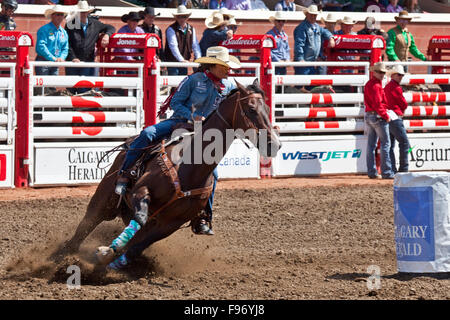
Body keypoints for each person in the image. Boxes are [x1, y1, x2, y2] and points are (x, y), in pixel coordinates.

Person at [112, 47, 240, 251]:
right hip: (180, 123)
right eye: (225, 66)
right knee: (147, 134)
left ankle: (203, 217)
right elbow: (176, 103)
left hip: (204, 134)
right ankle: (125, 175)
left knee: (212, 173)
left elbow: (240, 105)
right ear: (213, 65)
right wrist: (192, 116)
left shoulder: (229, 86)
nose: (228, 70)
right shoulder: (193, 80)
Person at [65, 1, 115, 93]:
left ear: (88, 12)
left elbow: (111, 27)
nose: (83, 14)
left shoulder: (95, 24)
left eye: (84, 12)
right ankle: (71, 107)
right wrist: (73, 58)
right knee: (71, 88)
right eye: (81, 12)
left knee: (84, 88)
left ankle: (82, 107)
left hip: (87, 61)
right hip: (72, 62)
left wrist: (107, 35)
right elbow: (67, 43)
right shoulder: (70, 25)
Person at [364, 62, 394, 179]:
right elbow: (378, 104)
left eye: (383, 73)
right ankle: (386, 172)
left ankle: (372, 172)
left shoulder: (369, 84)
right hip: (377, 116)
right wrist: (385, 115)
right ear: (374, 72)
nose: (382, 74)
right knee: (385, 144)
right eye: (380, 72)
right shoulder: (376, 86)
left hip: (369, 115)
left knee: (371, 145)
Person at [293, 5, 335, 76]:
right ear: (307, 15)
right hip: (304, 62)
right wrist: (300, 59)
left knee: (310, 85)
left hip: (312, 62)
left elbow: (325, 32)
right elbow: (299, 44)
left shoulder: (316, 26)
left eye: (315, 15)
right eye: (311, 15)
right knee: (301, 84)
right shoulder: (302, 28)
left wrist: (331, 38)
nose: (313, 17)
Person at [385, 65, 410, 173]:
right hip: (395, 117)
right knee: (404, 143)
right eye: (399, 75)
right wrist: (403, 109)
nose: (401, 77)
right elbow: (403, 103)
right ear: (393, 75)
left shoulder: (387, 87)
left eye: (401, 75)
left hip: (388, 117)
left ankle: (392, 169)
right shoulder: (396, 88)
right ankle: (403, 169)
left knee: (390, 145)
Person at [164, 5, 201, 76]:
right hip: (173, 62)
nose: (182, 19)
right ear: (176, 18)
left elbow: (195, 45)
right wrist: (181, 60)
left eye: (184, 16)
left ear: (187, 18)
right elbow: (173, 46)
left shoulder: (191, 29)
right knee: (174, 82)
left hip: (184, 62)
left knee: (181, 82)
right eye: (179, 16)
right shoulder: (171, 29)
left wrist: (198, 58)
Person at [35, 5, 69, 77]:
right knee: (43, 86)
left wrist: (61, 58)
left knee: (52, 85)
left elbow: (65, 48)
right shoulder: (44, 29)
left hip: (55, 63)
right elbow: (41, 46)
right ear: (52, 16)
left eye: (62, 15)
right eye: (58, 15)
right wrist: (53, 58)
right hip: (43, 62)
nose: (60, 17)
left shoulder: (64, 32)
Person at [267, 11, 290, 75]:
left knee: (283, 84)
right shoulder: (269, 35)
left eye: (283, 21)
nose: (281, 23)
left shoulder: (285, 35)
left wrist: (287, 60)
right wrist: (277, 61)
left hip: (283, 66)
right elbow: (268, 51)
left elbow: (287, 50)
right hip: (274, 65)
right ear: (275, 22)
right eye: (279, 21)